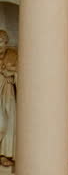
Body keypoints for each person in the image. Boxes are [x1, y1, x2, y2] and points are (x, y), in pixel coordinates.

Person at [0, 30, 16, 166]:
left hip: (7, 94)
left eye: (2, 42)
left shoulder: (13, 56)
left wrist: (11, 74)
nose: (0, 45)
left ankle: (4, 154)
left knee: (8, 123)